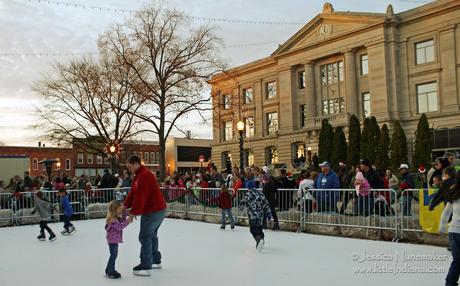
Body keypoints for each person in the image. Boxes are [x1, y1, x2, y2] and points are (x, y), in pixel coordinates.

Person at [123, 155, 167, 277]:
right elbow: (133, 193)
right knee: (152, 235)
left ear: (136, 164)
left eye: (130, 166)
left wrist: (133, 212)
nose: (129, 169)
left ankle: (146, 264)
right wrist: (124, 205)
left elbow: (141, 197)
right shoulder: (138, 176)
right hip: (158, 210)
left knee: (145, 236)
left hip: (153, 211)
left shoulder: (144, 176)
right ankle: (155, 260)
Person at [439, 170, 460, 286]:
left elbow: (446, 213)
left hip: (454, 231)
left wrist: (442, 226)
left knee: (457, 260)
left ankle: (450, 283)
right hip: (456, 231)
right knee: (457, 260)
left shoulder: (454, 192)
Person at [238, 187, 271, 252]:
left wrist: (240, 209)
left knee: (253, 229)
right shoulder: (260, 194)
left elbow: (243, 202)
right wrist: (268, 213)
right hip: (260, 215)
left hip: (252, 215)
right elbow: (266, 203)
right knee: (259, 228)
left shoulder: (248, 194)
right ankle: (262, 238)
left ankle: (259, 240)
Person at [105, 200, 130, 279]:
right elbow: (120, 227)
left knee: (113, 255)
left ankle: (108, 269)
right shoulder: (113, 220)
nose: (120, 211)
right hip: (113, 241)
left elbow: (122, 220)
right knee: (113, 255)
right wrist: (128, 221)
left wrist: (125, 212)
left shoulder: (115, 217)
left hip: (113, 240)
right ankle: (111, 271)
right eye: (119, 209)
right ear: (115, 210)